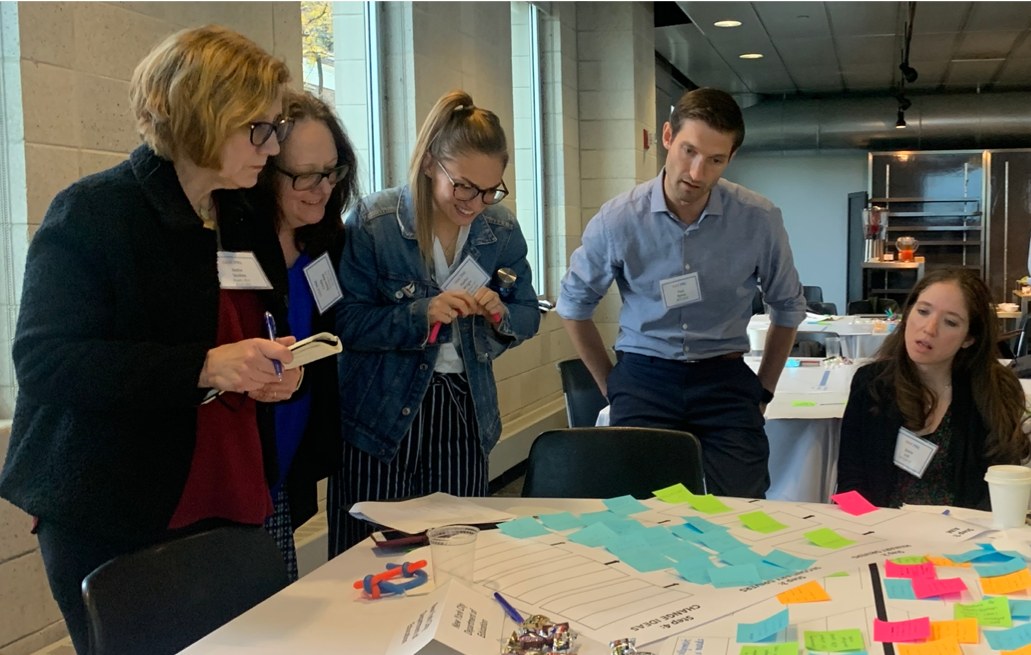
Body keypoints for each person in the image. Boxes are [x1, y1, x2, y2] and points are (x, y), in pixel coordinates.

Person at [0, 26, 299, 655]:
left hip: (228, 489)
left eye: (275, 128)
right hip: (116, 505)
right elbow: (45, 361)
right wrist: (206, 366)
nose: (271, 149)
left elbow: (252, 327)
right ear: (200, 114)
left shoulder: (241, 216)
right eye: (258, 128)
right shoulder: (94, 212)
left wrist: (271, 370)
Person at [557, 87, 806, 498]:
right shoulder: (619, 219)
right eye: (689, 151)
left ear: (730, 159)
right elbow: (573, 306)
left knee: (743, 505)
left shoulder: (758, 218)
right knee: (642, 510)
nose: (696, 172)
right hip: (644, 377)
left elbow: (787, 307)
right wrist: (612, 384)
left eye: (714, 160)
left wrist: (763, 391)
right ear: (668, 136)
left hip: (723, 378)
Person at [327, 90, 540, 555]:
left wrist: (499, 315)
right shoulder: (374, 223)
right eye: (464, 186)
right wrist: (417, 315)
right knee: (369, 557)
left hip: (464, 413)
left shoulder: (499, 230)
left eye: (490, 190)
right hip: (380, 414)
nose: (476, 202)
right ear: (428, 165)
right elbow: (343, 323)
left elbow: (527, 313)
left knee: (459, 553)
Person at [247, 90, 359, 580]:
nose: (322, 188)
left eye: (331, 172)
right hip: (242, 465)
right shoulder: (234, 247)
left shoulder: (326, 243)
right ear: (267, 169)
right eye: (304, 175)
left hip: (289, 460)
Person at [837, 268, 1030, 508]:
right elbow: (849, 485)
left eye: (950, 322)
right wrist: (865, 533)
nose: (929, 329)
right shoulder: (871, 383)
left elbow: (1000, 490)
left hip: (965, 538)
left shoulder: (994, 390)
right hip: (880, 535)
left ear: (969, 338)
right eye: (923, 311)